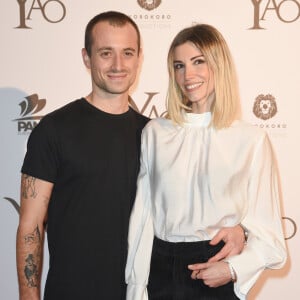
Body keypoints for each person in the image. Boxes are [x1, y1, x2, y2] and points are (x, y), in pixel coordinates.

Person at [16, 12, 245, 300]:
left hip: (144, 292)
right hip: (71, 291)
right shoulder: (54, 130)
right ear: (87, 58)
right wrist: (28, 296)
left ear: (139, 57)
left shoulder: (155, 135)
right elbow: (30, 226)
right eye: (105, 53)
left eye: (127, 53)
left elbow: (190, 206)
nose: (118, 65)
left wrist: (240, 229)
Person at [125, 24, 287, 300]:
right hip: (161, 273)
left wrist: (233, 269)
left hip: (216, 274)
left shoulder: (251, 139)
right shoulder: (155, 133)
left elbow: (271, 240)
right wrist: (137, 287)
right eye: (179, 65)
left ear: (218, 65)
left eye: (198, 62)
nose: (188, 75)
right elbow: (143, 220)